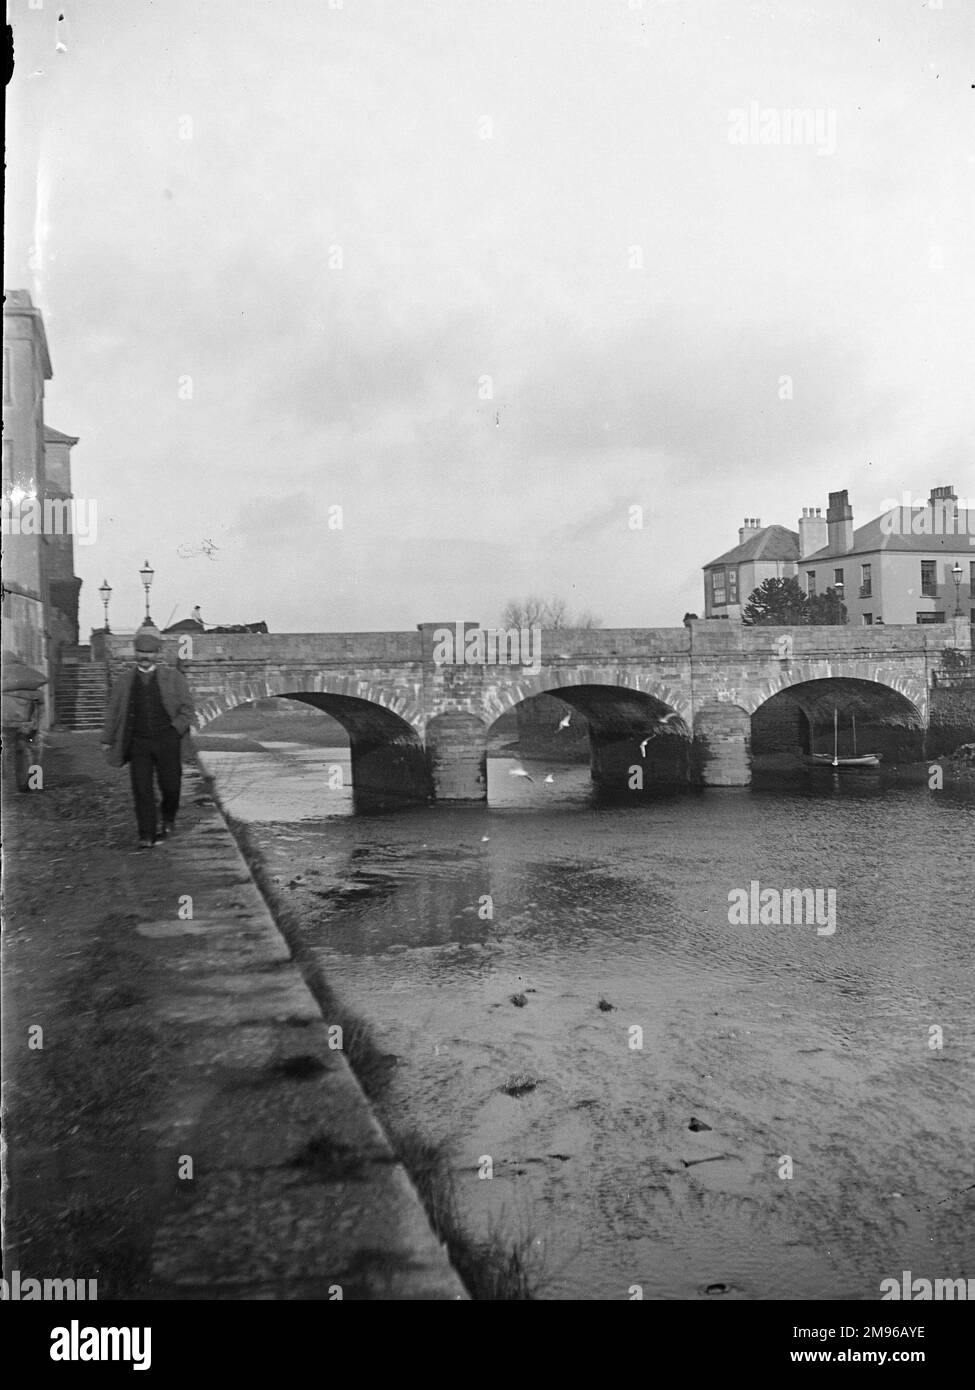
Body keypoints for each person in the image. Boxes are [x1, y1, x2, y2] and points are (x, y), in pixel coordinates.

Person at [101, 625, 196, 848]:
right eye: (141, 653)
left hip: (168, 740)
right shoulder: (124, 682)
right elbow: (113, 712)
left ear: (158, 654)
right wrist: (106, 739)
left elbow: (188, 709)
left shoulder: (173, 678)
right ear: (136, 653)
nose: (145, 657)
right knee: (142, 789)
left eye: (150, 653)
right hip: (138, 742)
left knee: (171, 787)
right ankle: (147, 835)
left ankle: (168, 817)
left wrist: (175, 730)